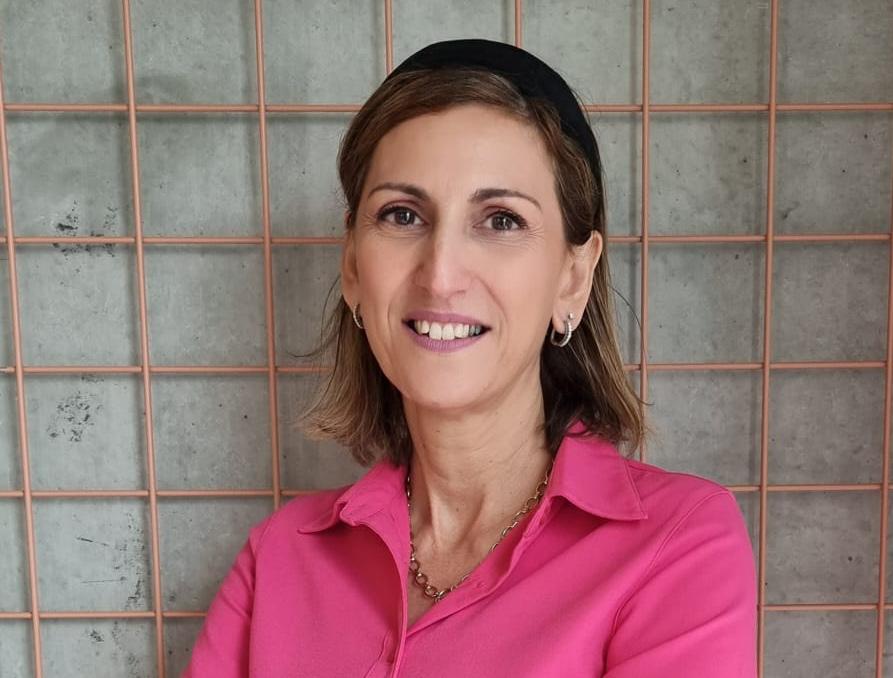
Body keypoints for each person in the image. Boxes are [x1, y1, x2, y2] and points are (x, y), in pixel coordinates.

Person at [183, 38, 757, 677]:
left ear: (573, 277)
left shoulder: (678, 545)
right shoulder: (278, 558)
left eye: (501, 220)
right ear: (353, 267)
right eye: (402, 215)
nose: (441, 274)